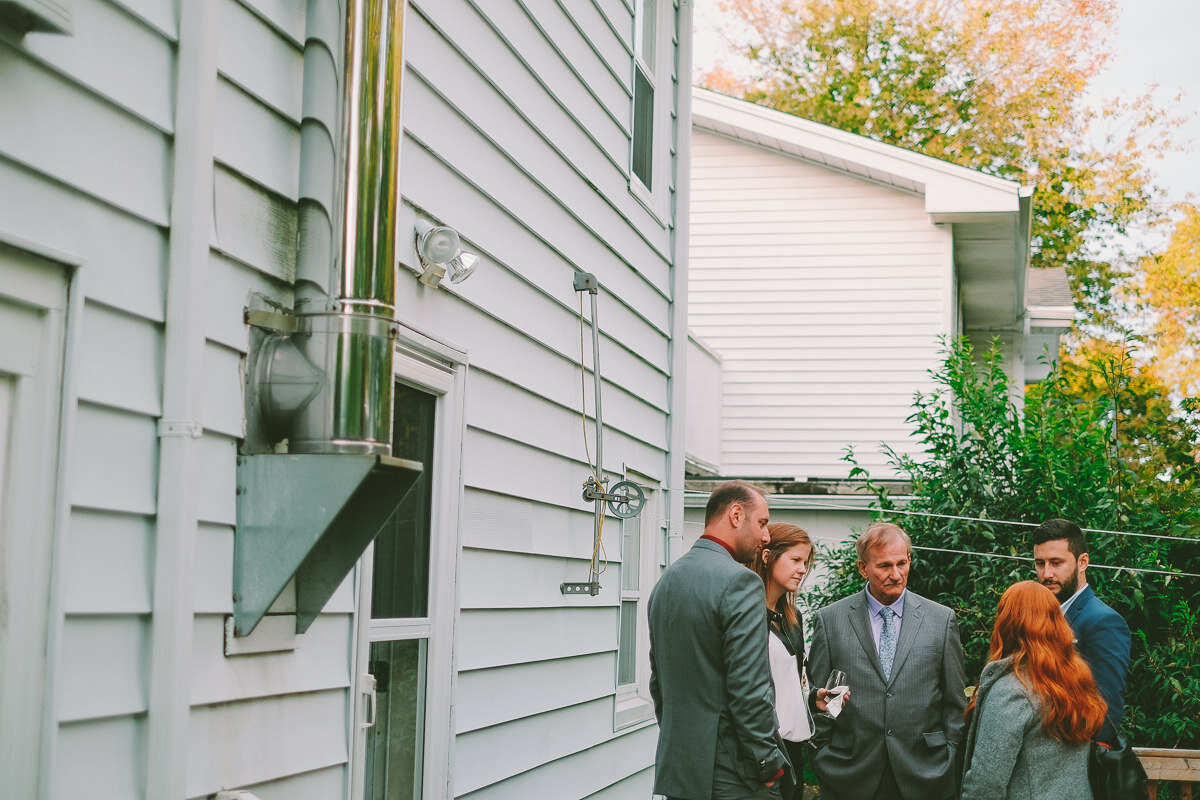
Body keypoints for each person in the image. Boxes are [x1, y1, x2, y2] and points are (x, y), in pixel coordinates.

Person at [648, 480, 789, 800]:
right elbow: (749, 689)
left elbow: (659, 683)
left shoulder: (667, 581)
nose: (766, 536)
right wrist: (767, 763)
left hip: (681, 770)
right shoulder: (741, 582)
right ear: (736, 515)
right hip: (734, 776)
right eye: (763, 523)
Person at [807, 522, 967, 800]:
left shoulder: (941, 620)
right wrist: (823, 754)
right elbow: (822, 702)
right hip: (850, 775)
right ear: (862, 568)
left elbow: (954, 702)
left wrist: (950, 754)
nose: (896, 574)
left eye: (902, 563)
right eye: (884, 566)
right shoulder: (830, 620)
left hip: (926, 775)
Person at [960, 580, 1108, 800]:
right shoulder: (1075, 680)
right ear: (1056, 622)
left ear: (1006, 623)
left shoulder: (1012, 691)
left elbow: (986, 784)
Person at [1032, 518, 1131, 743]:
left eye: (1056, 563)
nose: (1046, 574)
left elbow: (1106, 715)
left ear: (1082, 562)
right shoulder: (1040, 617)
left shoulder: (1103, 621)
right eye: (1040, 563)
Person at [752, 523, 825, 800]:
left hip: (795, 746)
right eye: (795, 560)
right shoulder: (747, 616)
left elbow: (787, 685)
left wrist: (812, 699)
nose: (803, 569)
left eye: (805, 562)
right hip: (765, 747)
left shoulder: (793, 618)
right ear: (767, 556)